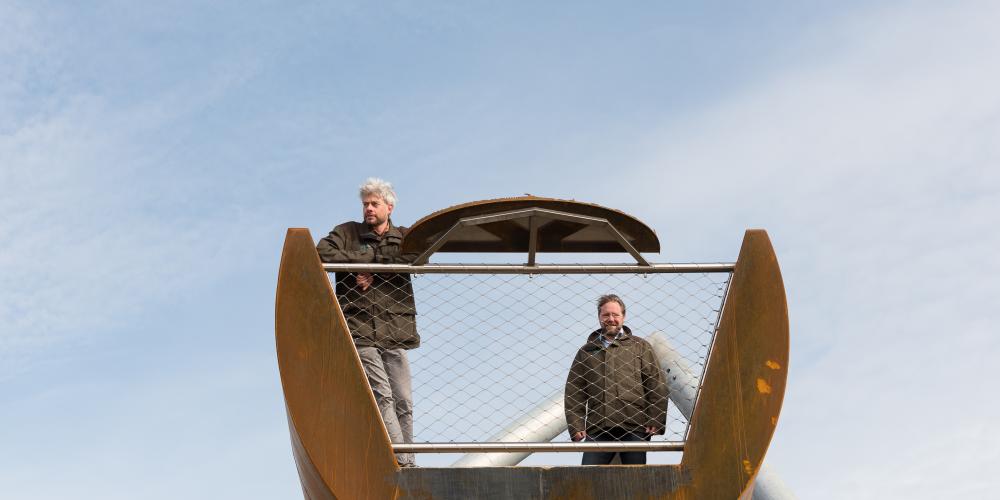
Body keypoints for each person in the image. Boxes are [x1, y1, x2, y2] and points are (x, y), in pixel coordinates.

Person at [316, 177, 419, 467]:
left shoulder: (403, 235)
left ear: (389, 206)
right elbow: (322, 252)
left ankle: (407, 458)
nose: (369, 209)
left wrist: (374, 269)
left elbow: (414, 255)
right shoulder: (347, 232)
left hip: (395, 329)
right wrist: (363, 261)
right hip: (359, 326)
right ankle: (404, 463)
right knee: (382, 396)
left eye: (374, 204)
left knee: (404, 401)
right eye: (365, 204)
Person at [564, 294, 669, 465]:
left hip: (635, 425)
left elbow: (656, 384)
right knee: (588, 478)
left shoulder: (640, 346)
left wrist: (656, 417)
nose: (611, 319)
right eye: (606, 315)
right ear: (599, 317)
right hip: (598, 426)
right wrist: (576, 425)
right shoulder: (586, 352)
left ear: (623, 317)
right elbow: (574, 391)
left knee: (635, 479)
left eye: (615, 315)